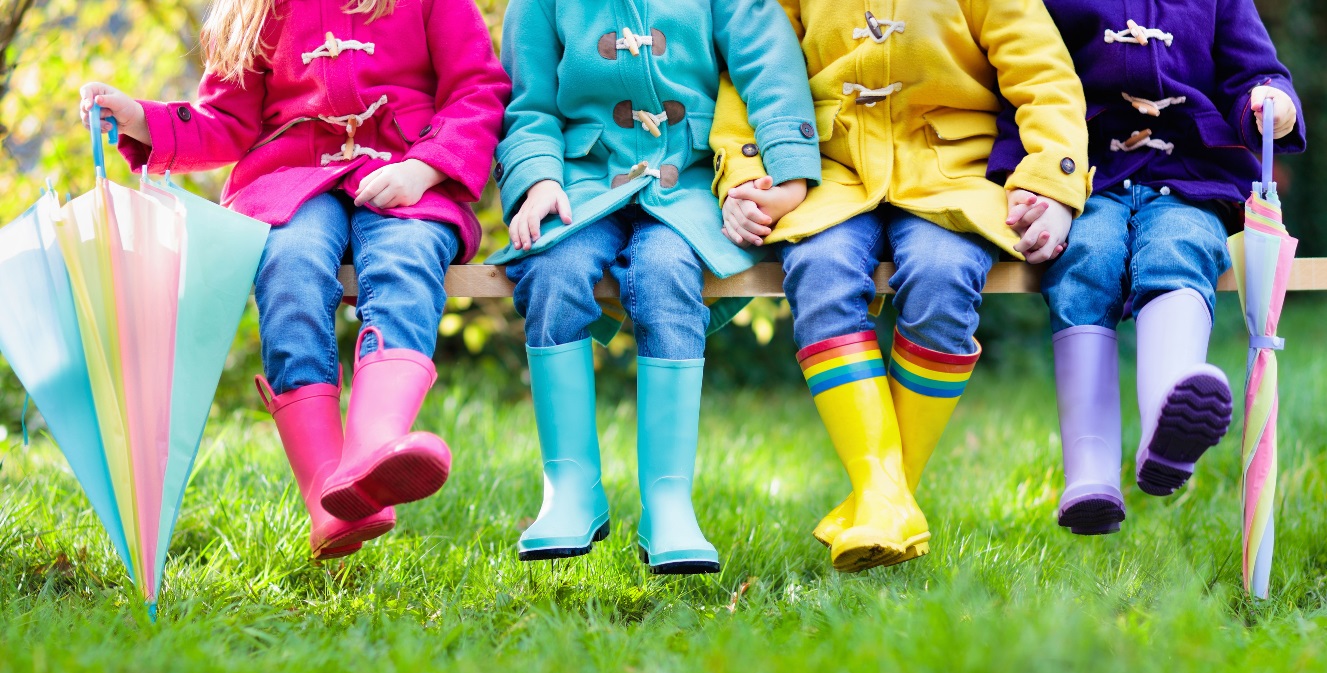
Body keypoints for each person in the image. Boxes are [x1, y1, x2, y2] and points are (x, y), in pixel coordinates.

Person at [79, 0, 510, 559]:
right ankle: (327, 492)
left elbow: (476, 89)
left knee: (405, 258)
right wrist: (140, 118)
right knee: (290, 267)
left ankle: (374, 446)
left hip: (407, 174)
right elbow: (226, 123)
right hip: (291, 181)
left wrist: (423, 168)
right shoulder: (257, 9)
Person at [712, 1, 1091, 572]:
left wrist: (1054, 180)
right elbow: (750, 65)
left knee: (943, 276)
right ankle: (884, 494)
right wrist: (743, 177)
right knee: (821, 270)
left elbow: (1044, 76)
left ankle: (882, 498)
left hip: (951, 171)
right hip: (826, 169)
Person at [489, 0, 821, 574]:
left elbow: (769, 66)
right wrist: (537, 177)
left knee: (667, 273)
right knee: (552, 270)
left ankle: (668, 503)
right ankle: (570, 488)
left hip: (688, 179)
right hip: (580, 179)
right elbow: (529, 104)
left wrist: (786, 168)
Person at [989, 0, 1306, 535]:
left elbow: (1254, 71)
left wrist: (1272, 102)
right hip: (1087, 177)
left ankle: (1170, 419)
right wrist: (1031, 178)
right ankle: (1089, 474)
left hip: (1190, 174)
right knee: (1085, 261)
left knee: (1180, 247)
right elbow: (1028, 79)